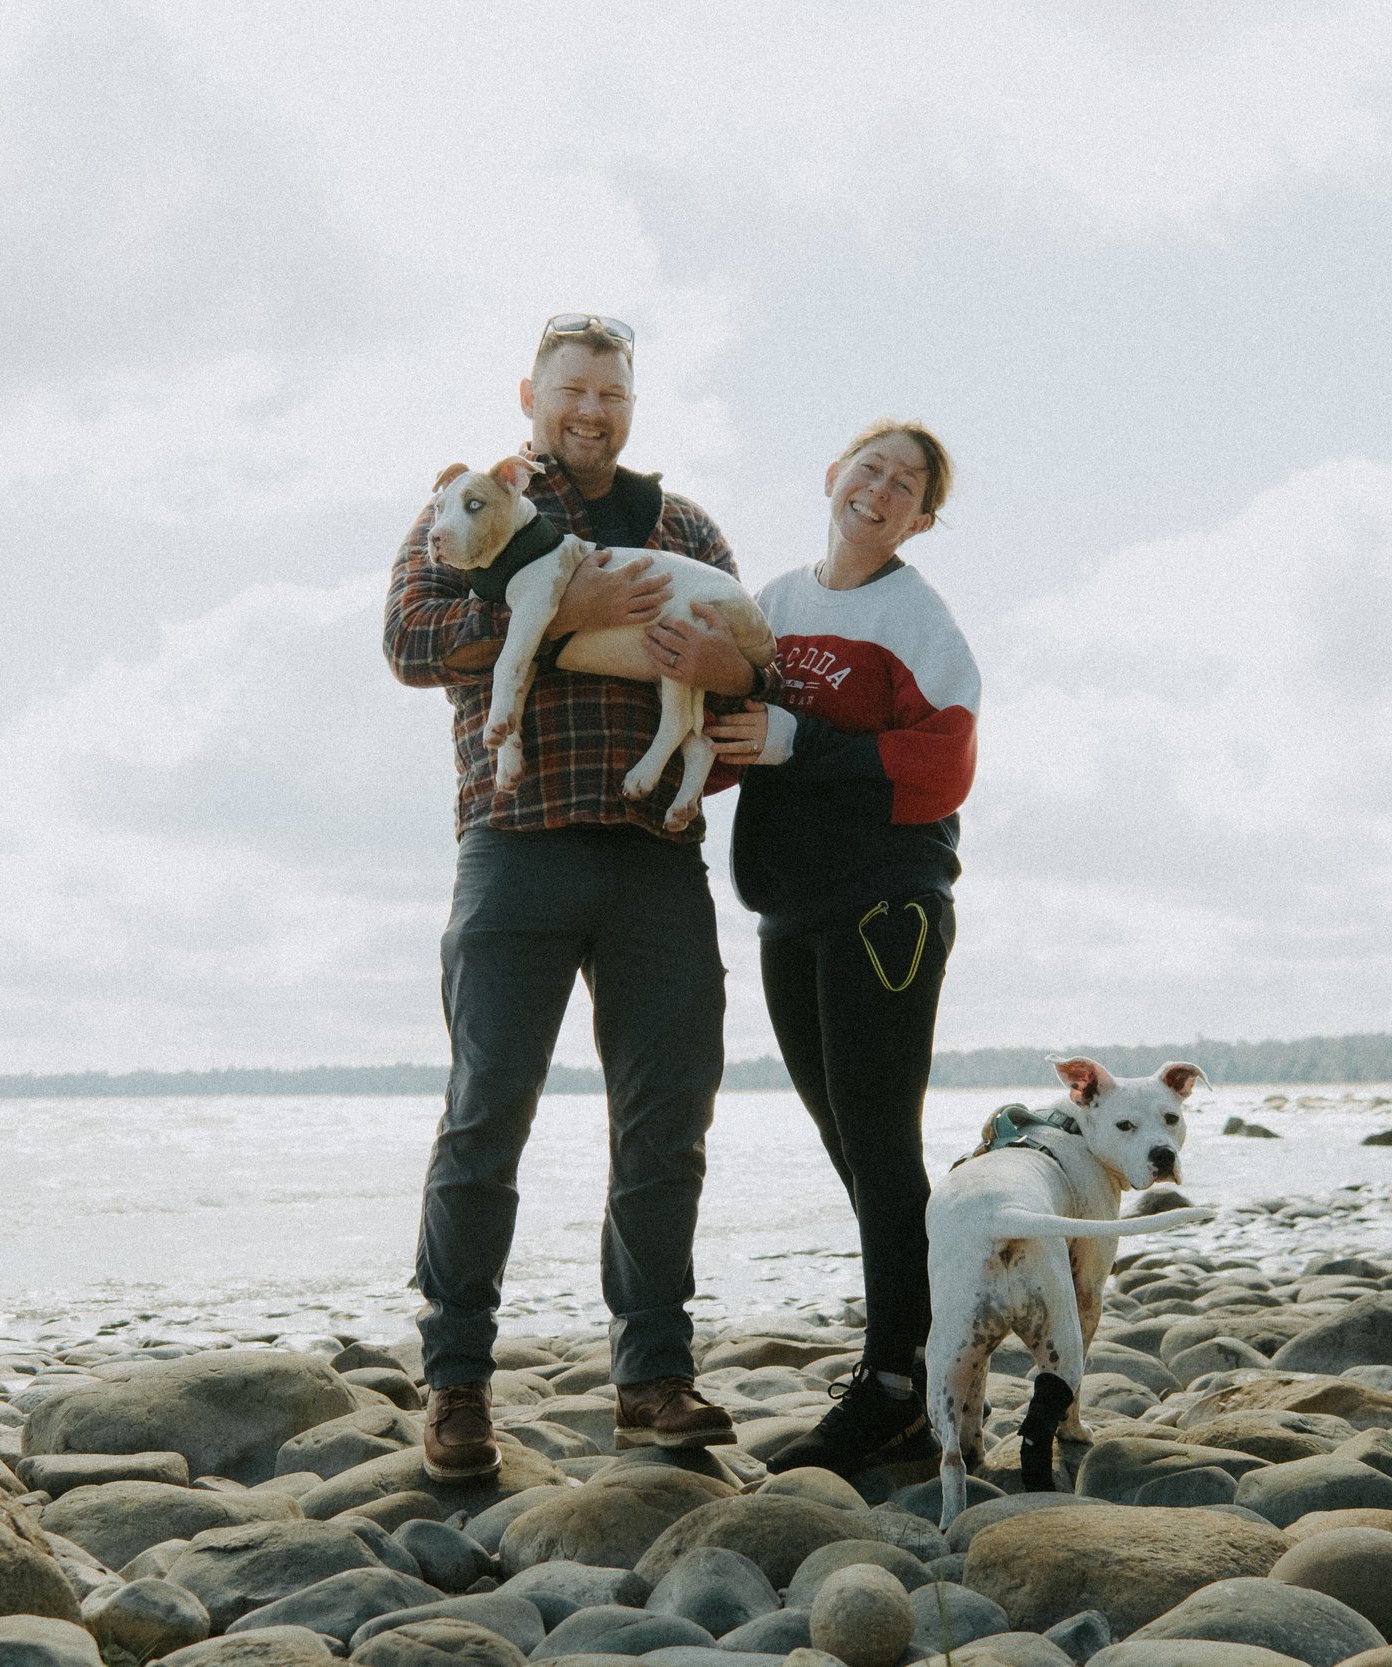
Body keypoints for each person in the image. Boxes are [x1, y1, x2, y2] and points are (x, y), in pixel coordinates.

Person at [382, 314, 765, 1480]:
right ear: (530, 397)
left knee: (666, 1122)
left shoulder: (684, 525)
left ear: (631, 404)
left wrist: (730, 678)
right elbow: (409, 636)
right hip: (516, 843)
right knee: (485, 1112)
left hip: (655, 852)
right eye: (572, 392)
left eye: (612, 393)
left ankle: (652, 1376)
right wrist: (558, 619)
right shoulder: (469, 499)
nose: (592, 412)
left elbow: (757, 671)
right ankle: (455, 1387)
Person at [705, 421, 980, 1477]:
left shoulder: (918, 619)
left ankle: (895, 1384)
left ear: (922, 519)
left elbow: (944, 763)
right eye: (870, 468)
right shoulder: (771, 603)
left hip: (886, 906)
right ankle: (915, 1359)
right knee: (846, 1144)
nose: (881, 489)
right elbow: (738, 735)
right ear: (832, 477)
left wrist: (798, 739)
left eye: (906, 485)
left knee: (876, 1139)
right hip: (789, 908)